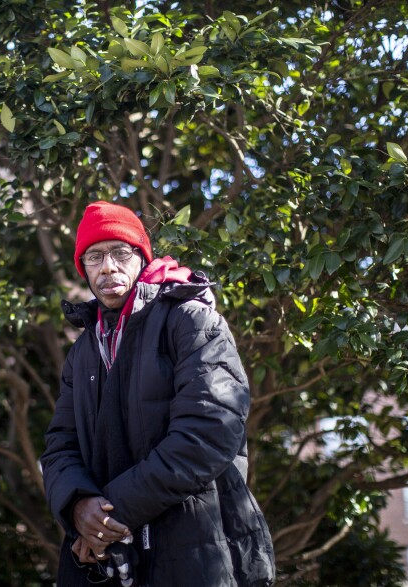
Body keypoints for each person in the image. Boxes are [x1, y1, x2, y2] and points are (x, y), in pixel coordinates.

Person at [40, 201, 275, 587]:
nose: (108, 266)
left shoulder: (192, 320)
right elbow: (59, 446)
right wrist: (78, 506)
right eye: (94, 257)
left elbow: (210, 431)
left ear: (141, 256)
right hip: (108, 561)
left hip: (195, 552)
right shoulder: (83, 350)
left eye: (120, 252)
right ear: (84, 269)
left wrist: (108, 515)